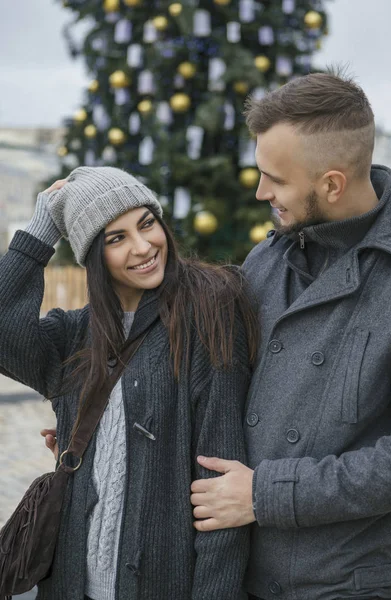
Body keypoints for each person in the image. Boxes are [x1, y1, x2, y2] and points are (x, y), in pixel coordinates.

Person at [0, 166, 258, 600]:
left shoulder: (209, 314)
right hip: (71, 584)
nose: (143, 247)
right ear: (92, 257)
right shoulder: (75, 335)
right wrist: (40, 229)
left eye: (146, 223)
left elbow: (218, 493)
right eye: (115, 239)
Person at [190, 70, 391, 600]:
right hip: (242, 576)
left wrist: (264, 494)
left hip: (351, 584)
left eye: (275, 179)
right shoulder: (266, 259)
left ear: (331, 183)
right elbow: (204, 372)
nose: (261, 192)